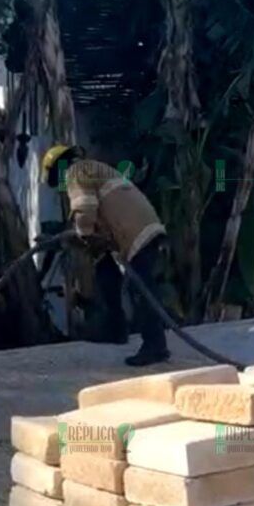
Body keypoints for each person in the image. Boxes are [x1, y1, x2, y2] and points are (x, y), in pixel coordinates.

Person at [41, 144, 170, 366]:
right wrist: (86, 241)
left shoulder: (76, 172)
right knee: (105, 273)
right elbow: (101, 219)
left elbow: (84, 206)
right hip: (138, 228)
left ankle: (155, 346)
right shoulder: (93, 169)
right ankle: (115, 329)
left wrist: (81, 233)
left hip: (135, 232)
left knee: (140, 290)